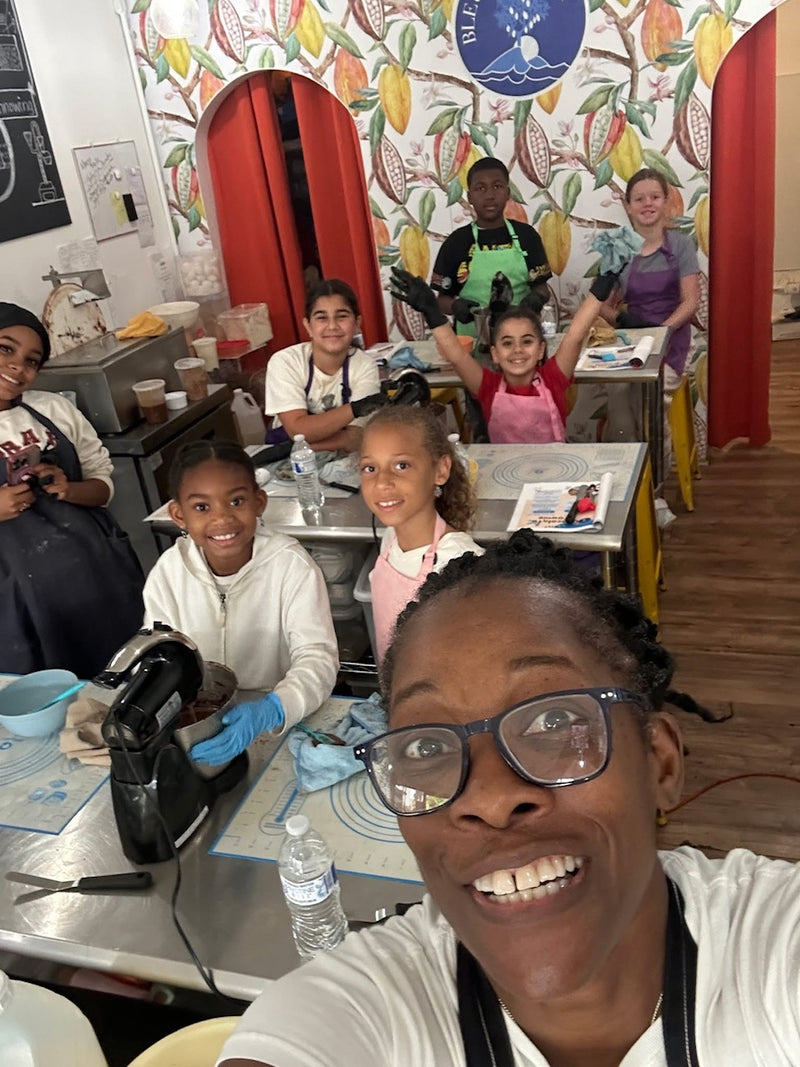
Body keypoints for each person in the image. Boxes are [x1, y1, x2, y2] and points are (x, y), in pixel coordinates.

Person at [219, 531, 800, 1067]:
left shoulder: (771, 954)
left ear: (660, 761)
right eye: (425, 746)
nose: (491, 798)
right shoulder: (364, 1010)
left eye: (553, 718)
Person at [142, 440, 338, 765]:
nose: (222, 519)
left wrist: (276, 707)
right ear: (178, 515)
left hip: (278, 718)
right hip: (196, 724)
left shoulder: (291, 566)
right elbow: (158, 656)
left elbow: (318, 656)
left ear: (259, 502)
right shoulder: (169, 572)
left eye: (236, 501)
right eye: (202, 508)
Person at [0, 302, 144, 677]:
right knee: (53, 697)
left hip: (97, 579)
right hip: (20, 606)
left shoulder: (53, 410)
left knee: (125, 677)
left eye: (32, 361)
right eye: (5, 348)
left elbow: (103, 485)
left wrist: (68, 488)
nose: (19, 367)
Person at [391, 267, 612, 444]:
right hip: (504, 472)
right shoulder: (487, 386)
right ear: (495, 354)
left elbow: (575, 335)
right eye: (507, 343)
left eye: (527, 341)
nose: (517, 349)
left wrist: (603, 285)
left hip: (555, 472)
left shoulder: (553, 378)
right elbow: (457, 356)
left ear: (541, 350)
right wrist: (432, 311)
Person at [359, 405, 483, 661]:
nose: (382, 482)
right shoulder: (390, 539)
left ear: (440, 470)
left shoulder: (462, 564)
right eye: (370, 468)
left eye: (401, 465)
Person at [431, 158, 552, 336]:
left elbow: (542, 288)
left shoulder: (527, 236)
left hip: (520, 339)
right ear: (470, 196)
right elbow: (442, 300)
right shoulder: (456, 243)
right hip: (471, 341)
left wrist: (535, 299)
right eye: (480, 188)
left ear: (508, 192)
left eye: (497, 186)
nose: (489, 195)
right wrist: (456, 306)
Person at [264, 279, 386, 452]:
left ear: (357, 324)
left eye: (342, 316)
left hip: (341, 459)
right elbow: (297, 431)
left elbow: (355, 436)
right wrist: (356, 409)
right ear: (308, 326)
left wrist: (304, 446)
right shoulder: (286, 362)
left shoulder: (364, 366)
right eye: (321, 318)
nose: (332, 326)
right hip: (285, 459)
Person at [604, 168, 700, 385]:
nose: (648, 203)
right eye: (639, 199)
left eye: (655, 197)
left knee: (651, 397)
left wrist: (661, 333)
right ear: (628, 206)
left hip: (672, 341)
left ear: (665, 202)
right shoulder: (619, 249)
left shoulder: (681, 245)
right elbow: (600, 304)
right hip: (632, 341)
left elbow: (691, 301)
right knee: (618, 394)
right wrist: (621, 319)